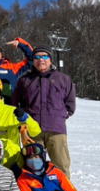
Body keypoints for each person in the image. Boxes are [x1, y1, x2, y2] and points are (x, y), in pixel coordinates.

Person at [11, 46, 77, 177]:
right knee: (33, 165)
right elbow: (15, 103)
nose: (41, 60)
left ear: (50, 60)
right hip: (32, 130)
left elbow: (70, 103)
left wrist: (61, 116)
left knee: (61, 165)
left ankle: (63, 189)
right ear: (33, 61)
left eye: (44, 56)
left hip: (56, 129)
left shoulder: (63, 79)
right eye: (37, 57)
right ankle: (35, 189)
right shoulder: (25, 80)